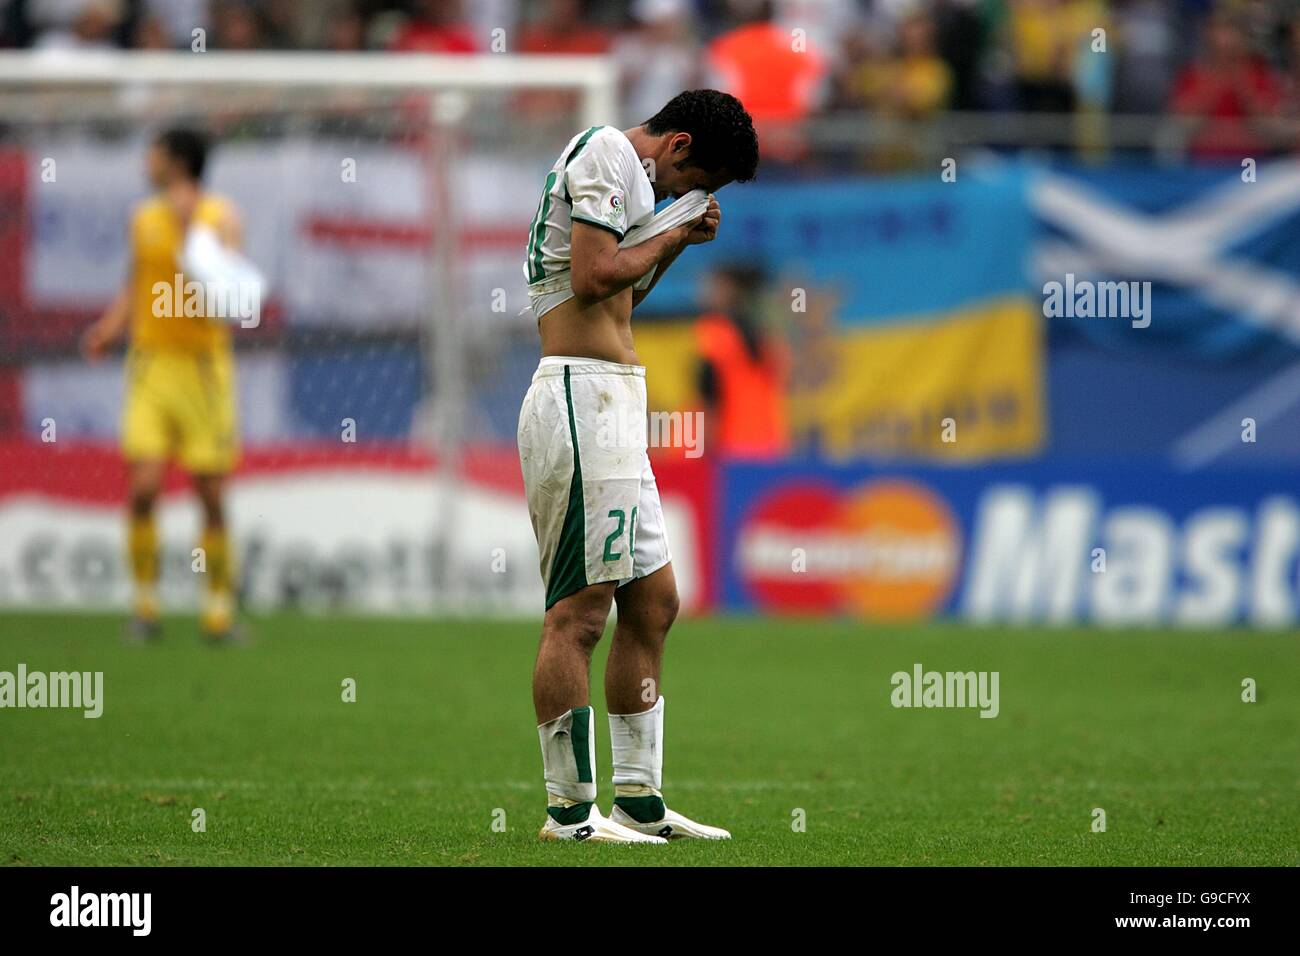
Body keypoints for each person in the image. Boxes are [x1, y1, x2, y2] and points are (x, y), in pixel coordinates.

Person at [518, 90, 758, 843]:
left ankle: (638, 799)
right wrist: (674, 228)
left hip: (614, 400)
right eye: (698, 183)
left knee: (653, 602)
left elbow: (618, 295)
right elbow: (592, 277)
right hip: (577, 397)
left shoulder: (628, 172)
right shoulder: (606, 154)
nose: (692, 198)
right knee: (579, 614)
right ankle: (568, 813)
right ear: (677, 145)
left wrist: (674, 237)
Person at [81, 128, 246, 642]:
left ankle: (218, 612)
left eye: (154, 153)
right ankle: (145, 609)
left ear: (176, 161)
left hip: (202, 369)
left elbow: (232, 291)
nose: (146, 161)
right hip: (152, 367)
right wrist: (109, 328)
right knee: (145, 487)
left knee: (210, 495)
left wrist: (192, 228)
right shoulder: (142, 218)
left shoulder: (222, 216)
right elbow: (137, 284)